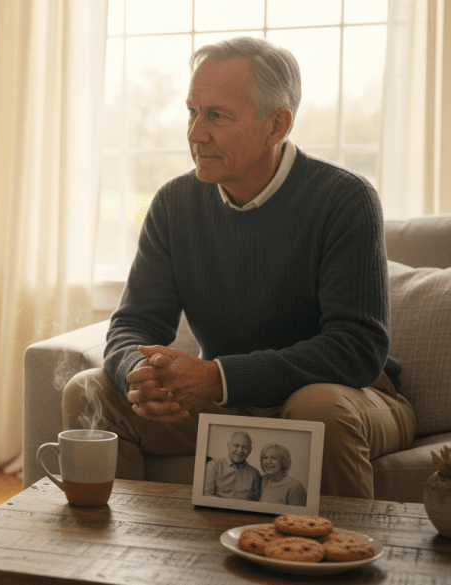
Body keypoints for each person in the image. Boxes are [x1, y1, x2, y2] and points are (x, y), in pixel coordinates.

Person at [62, 36, 417, 500]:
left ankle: (338, 566)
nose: (194, 134)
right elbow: (133, 323)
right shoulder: (175, 203)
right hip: (231, 400)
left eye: (216, 116)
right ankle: (128, 562)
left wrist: (218, 377)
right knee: (88, 391)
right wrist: (141, 373)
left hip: (351, 396)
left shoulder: (344, 199)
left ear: (277, 125)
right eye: (192, 112)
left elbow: (357, 348)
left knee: (316, 408)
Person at [203, 431, 261, 501]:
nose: (240, 451)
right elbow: (207, 495)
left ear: (250, 450)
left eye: (245, 447)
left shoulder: (255, 473)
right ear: (228, 446)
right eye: (236, 445)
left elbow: (255, 501)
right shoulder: (214, 465)